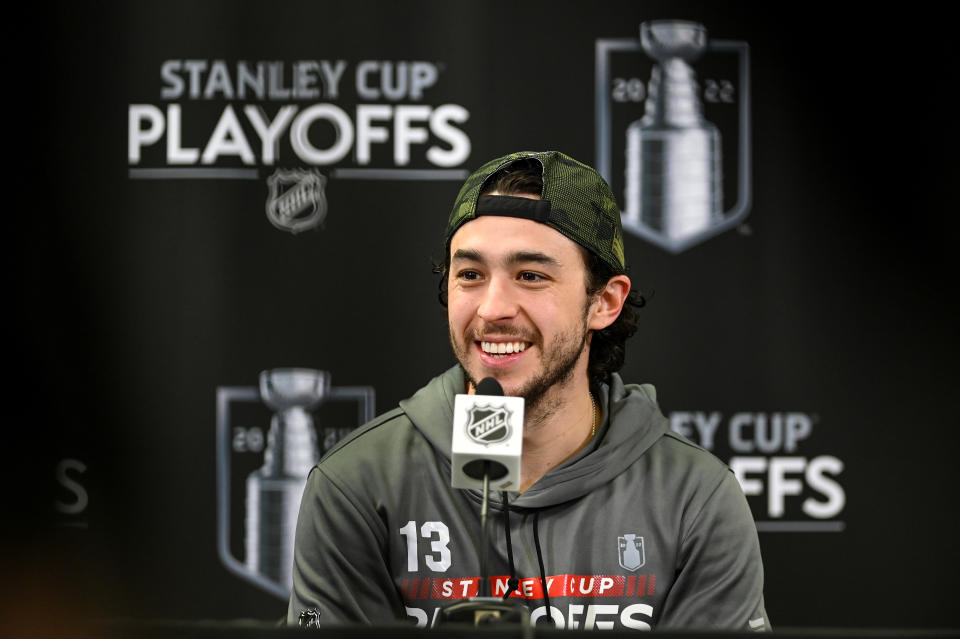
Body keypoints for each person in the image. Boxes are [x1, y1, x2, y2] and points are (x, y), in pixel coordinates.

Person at [287, 151, 770, 630]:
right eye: (470, 275)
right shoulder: (355, 484)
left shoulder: (695, 497)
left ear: (604, 302)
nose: (492, 308)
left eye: (531, 276)